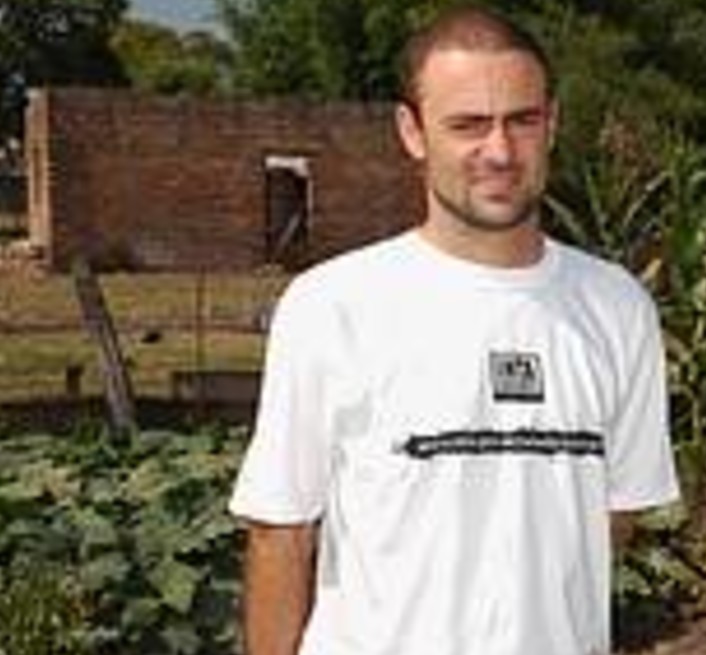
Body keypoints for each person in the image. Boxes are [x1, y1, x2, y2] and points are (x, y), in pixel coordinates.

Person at [227, 6, 681, 655]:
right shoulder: (333, 306)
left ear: (552, 123)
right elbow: (281, 532)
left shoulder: (618, 308)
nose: (499, 152)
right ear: (412, 131)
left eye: (522, 121)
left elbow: (615, 515)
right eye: (468, 125)